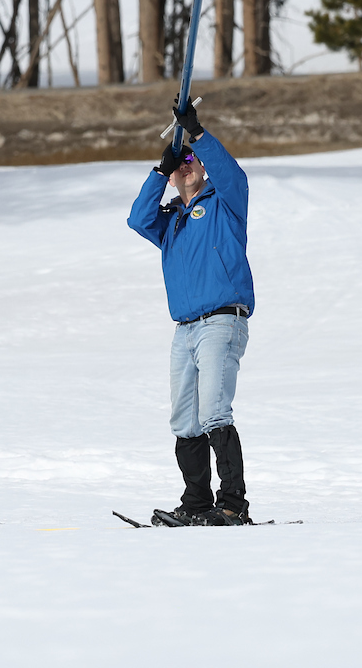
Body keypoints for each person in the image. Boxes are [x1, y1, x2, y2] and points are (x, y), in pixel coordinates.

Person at [127, 101, 256, 526]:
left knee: (215, 411)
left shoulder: (225, 204)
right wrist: (159, 172)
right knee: (185, 419)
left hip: (222, 320)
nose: (186, 167)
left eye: (191, 162)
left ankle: (233, 503)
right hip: (184, 329)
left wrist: (197, 135)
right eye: (180, 163)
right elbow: (136, 218)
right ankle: (196, 501)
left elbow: (234, 175)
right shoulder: (171, 223)